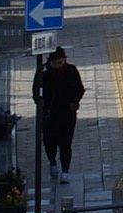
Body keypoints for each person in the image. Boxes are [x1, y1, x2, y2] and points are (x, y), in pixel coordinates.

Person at [33, 46, 85, 178]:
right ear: (50, 61)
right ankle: (52, 162)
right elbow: (36, 90)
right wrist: (40, 103)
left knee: (66, 143)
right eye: (56, 63)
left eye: (61, 62)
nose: (58, 65)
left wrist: (75, 101)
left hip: (67, 113)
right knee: (49, 142)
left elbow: (79, 88)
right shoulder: (43, 72)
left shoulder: (71, 71)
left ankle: (65, 170)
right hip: (48, 113)